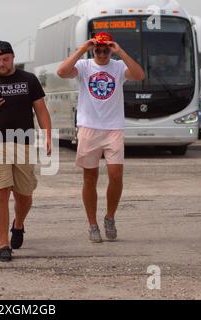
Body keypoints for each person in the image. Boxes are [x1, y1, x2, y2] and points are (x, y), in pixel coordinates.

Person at [57, 32, 145, 243]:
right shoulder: (85, 66)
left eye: (106, 50)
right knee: (90, 177)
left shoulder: (117, 67)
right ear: (93, 49)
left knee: (116, 175)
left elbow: (139, 75)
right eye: (99, 49)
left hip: (113, 127)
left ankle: (110, 217)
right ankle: (92, 224)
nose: (103, 53)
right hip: (89, 127)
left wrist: (120, 51)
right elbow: (61, 72)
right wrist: (82, 48)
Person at [0, 41, 52, 262]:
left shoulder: (29, 80)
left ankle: (18, 224)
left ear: (13, 57)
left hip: (23, 142)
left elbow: (41, 110)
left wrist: (47, 136)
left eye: (5, 59)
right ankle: (3, 244)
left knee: (24, 195)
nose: (1, 64)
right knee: (0, 191)